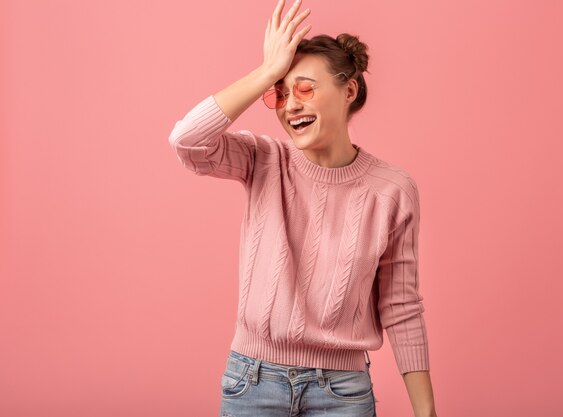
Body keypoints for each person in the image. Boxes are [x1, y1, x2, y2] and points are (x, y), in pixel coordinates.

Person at [167, 0, 437, 416]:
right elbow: (187, 142)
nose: (290, 104)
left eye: (305, 88)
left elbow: (400, 306)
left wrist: (427, 413)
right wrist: (264, 73)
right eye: (281, 92)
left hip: (342, 392)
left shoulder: (393, 190)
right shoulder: (263, 159)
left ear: (348, 91)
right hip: (252, 381)